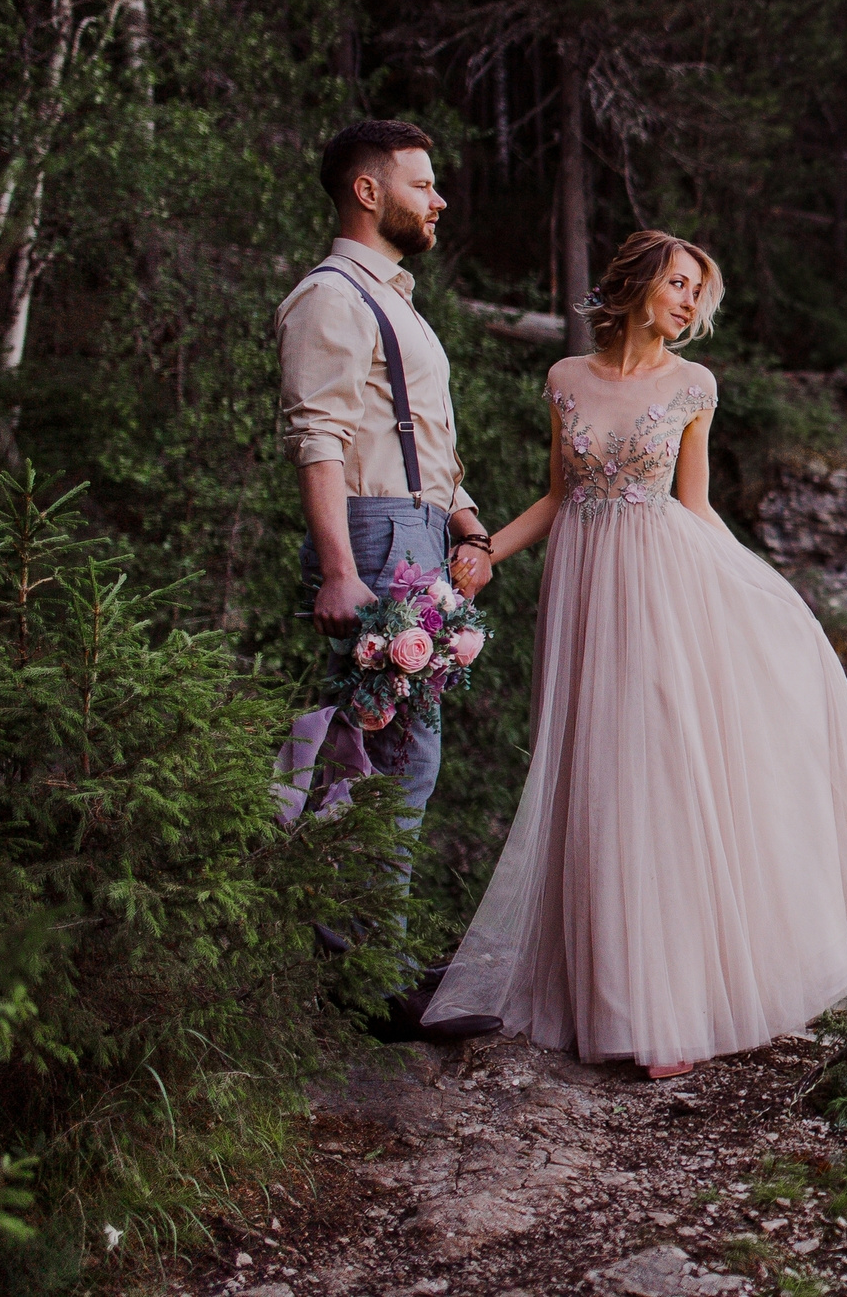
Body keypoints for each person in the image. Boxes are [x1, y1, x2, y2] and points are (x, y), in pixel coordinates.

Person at [425, 231, 847, 1076]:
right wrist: (485, 555)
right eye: (681, 284)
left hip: (663, 593)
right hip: (582, 595)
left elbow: (695, 505)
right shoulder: (565, 379)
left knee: (656, 774)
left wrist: (763, 588)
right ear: (641, 282)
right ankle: (602, 998)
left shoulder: (694, 386)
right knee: (595, 779)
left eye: (700, 293)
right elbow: (557, 494)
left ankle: (671, 1009)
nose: (690, 303)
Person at [276, 120, 502, 1038]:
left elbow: (425, 443)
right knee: (380, 759)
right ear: (369, 193)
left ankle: (380, 956)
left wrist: (467, 523)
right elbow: (319, 438)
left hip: (413, 529)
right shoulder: (330, 297)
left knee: (398, 755)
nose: (439, 197)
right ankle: (370, 980)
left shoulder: (397, 300)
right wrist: (339, 569)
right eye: (423, 182)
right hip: (368, 537)